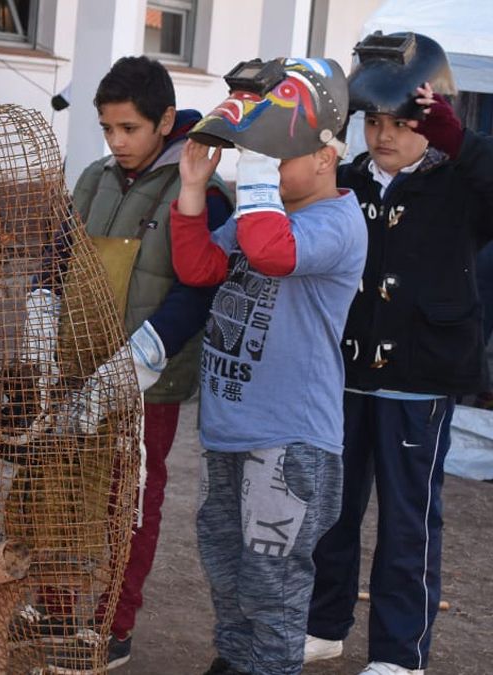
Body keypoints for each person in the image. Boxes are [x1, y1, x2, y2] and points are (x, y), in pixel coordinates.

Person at [170, 57, 366, 675]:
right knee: (227, 570)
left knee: (273, 585)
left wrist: (251, 172)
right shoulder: (264, 211)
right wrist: (196, 188)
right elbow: (201, 269)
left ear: (325, 156)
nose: (261, 169)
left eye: (276, 156)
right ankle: (233, 663)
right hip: (232, 429)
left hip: (289, 443)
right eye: (257, 158)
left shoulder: (336, 222)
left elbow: (272, 253)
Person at [304, 32, 493, 675]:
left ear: (433, 120)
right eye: (373, 121)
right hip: (344, 375)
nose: (383, 136)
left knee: (408, 522)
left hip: (421, 378)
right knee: (332, 512)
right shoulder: (346, 179)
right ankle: (325, 625)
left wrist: (458, 142)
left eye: (402, 122)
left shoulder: (462, 183)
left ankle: (398, 654)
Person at [65, 55, 233, 670]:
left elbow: (199, 286)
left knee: (128, 500)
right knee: (60, 489)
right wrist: (39, 305)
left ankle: (113, 622)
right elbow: (61, 253)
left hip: (148, 381)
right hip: (77, 366)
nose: (117, 142)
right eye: (107, 129)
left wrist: (144, 354)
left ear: (166, 121)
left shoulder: (203, 192)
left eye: (129, 129)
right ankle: (57, 606)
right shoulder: (94, 178)